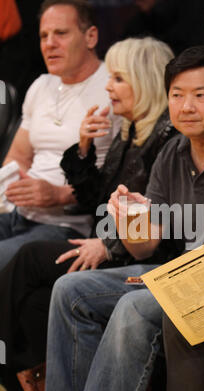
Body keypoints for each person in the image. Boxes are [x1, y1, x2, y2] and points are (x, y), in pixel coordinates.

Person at [43, 45, 204, 391]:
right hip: (177, 276)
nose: (186, 106)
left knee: (133, 306)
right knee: (71, 291)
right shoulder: (172, 151)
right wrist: (130, 218)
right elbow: (146, 248)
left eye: (200, 95)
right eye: (177, 95)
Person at [0, 35, 175, 378]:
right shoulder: (130, 133)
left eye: (118, 78)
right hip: (108, 245)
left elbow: (162, 219)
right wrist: (84, 147)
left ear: (145, 80)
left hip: (136, 259)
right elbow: (95, 201)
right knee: (36, 302)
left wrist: (109, 245)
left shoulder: (165, 140)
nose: (108, 87)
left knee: (30, 259)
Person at [0, 0, 120, 271]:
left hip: (68, 225)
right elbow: (18, 155)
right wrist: (14, 182)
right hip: (18, 214)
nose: (49, 44)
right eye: (43, 36)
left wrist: (60, 194)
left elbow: (123, 176)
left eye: (61, 33)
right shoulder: (41, 85)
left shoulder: (114, 87)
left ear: (91, 36)